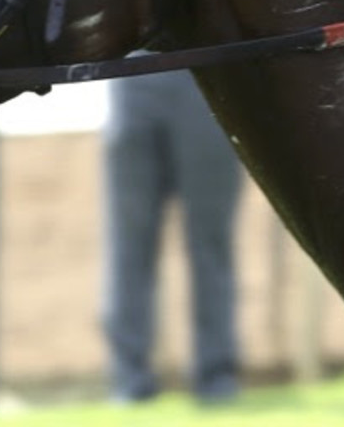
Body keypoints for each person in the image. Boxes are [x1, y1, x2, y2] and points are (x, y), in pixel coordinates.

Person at [101, 64, 242, 404]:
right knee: (129, 243)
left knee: (210, 243)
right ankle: (129, 379)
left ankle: (217, 376)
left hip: (205, 78)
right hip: (131, 75)